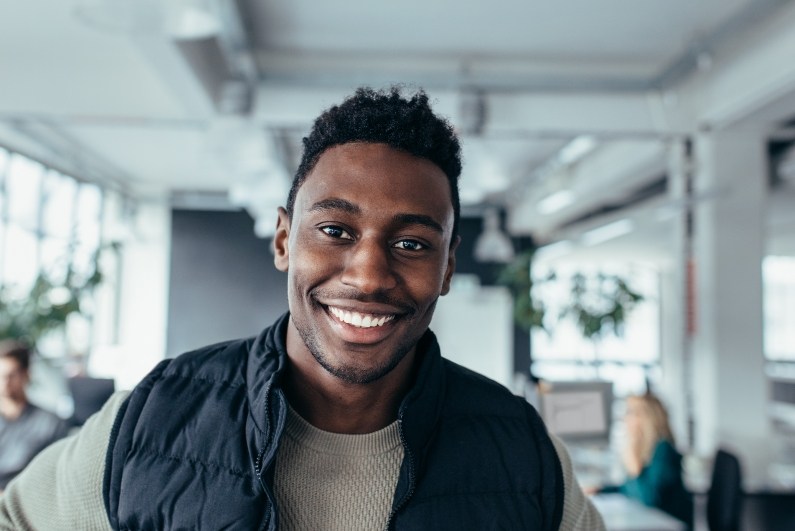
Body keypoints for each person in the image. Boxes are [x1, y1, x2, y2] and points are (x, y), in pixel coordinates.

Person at [0, 87, 604, 530]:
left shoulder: (521, 452)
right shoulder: (156, 416)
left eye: (412, 243)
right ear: (285, 240)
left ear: (447, 267)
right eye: (337, 230)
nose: (368, 274)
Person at [600, 392, 693, 528]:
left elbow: (648, 501)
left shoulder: (663, 450)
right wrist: (600, 490)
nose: (624, 418)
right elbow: (627, 488)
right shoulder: (642, 450)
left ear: (647, 418)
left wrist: (634, 468)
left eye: (630, 412)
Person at [0, 340, 69, 492]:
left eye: (11, 375)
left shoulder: (51, 424)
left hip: (22, 502)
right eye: (1, 376)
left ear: (26, 374)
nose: (4, 383)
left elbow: (55, 477)